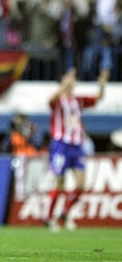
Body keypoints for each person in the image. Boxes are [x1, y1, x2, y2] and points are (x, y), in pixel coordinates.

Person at [44, 67, 108, 232]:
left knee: (81, 184)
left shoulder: (77, 100)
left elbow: (98, 98)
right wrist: (65, 84)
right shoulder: (58, 100)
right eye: (70, 78)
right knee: (60, 183)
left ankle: (65, 213)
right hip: (60, 145)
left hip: (77, 146)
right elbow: (49, 100)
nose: (73, 82)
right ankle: (49, 217)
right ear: (64, 81)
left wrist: (102, 84)